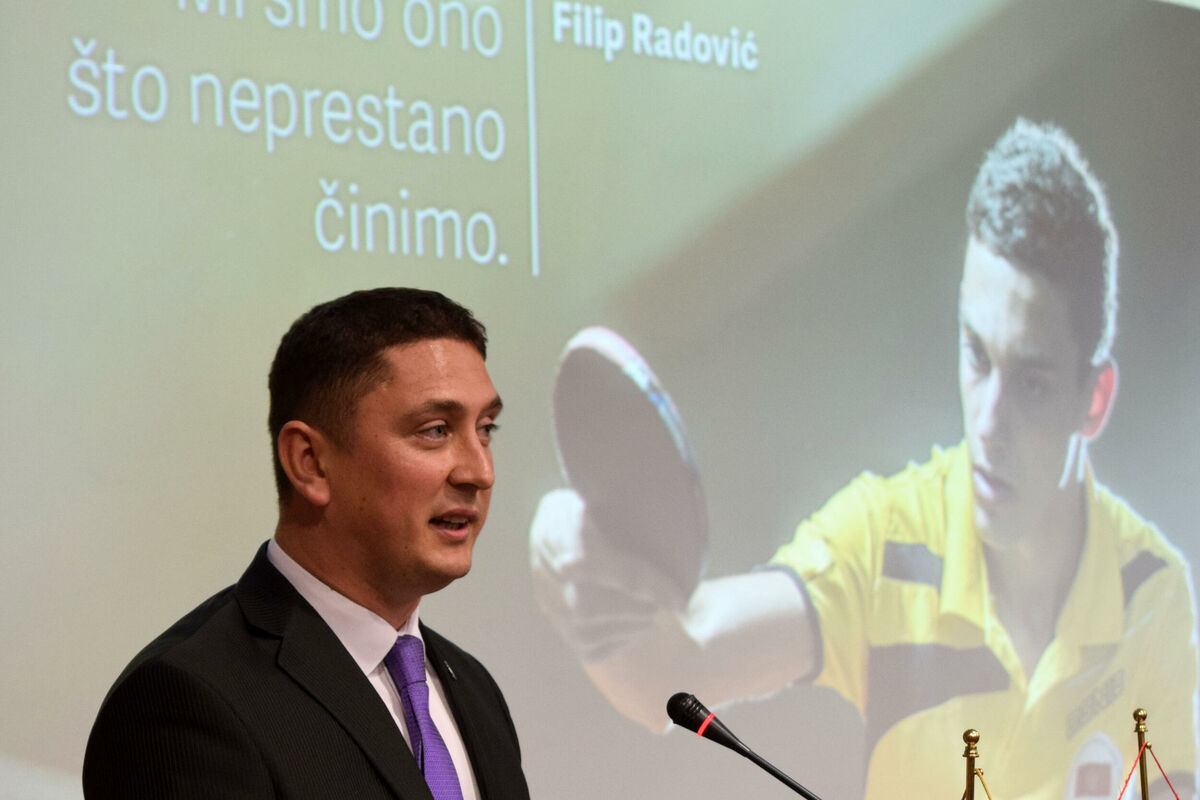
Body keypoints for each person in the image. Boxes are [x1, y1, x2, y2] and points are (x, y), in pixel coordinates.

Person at [531, 119, 1198, 799]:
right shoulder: (884, 543)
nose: (990, 424)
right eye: (976, 356)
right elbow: (674, 672)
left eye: (1031, 384)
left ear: (1094, 400)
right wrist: (567, 538)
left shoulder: (1153, 591)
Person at [84, 288, 530, 799]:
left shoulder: (472, 689)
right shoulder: (186, 701)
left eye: (486, 428)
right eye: (435, 430)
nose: (480, 471)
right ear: (310, 462)